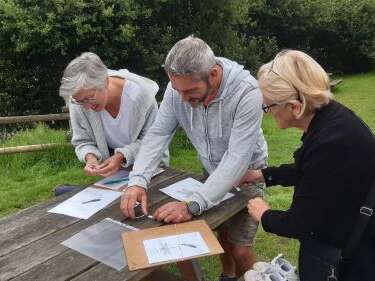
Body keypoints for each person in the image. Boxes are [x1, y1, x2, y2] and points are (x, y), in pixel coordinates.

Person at [121, 35, 268, 280]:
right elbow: (158, 133)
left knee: (240, 248)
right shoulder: (177, 88)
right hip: (211, 171)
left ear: (212, 75)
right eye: (177, 90)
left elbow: (237, 159)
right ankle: (227, 276)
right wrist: (137, 180)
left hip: (247, 176)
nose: (183, 99)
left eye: (190, 91)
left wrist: (193, 204)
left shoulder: (247, 92)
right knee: (223, 235)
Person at [242, 49, 375, 281]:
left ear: (294, 106)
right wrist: (262, 175)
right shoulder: (333, 120)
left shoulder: (331, 142)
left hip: (351, 255)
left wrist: (264, 214)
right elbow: (313, 170)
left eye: (269, 107)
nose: (268, 113)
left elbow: (300, 223)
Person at [59, 52, 169, 180]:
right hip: (115, 175)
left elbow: (153, 141)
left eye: (89, 98)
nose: (86, 106)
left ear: (105, 81)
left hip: (152, 169)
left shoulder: (141, 95)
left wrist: (121, 156)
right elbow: (82, 141)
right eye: (80, 101)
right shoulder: (78, 100)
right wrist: (90, 157)